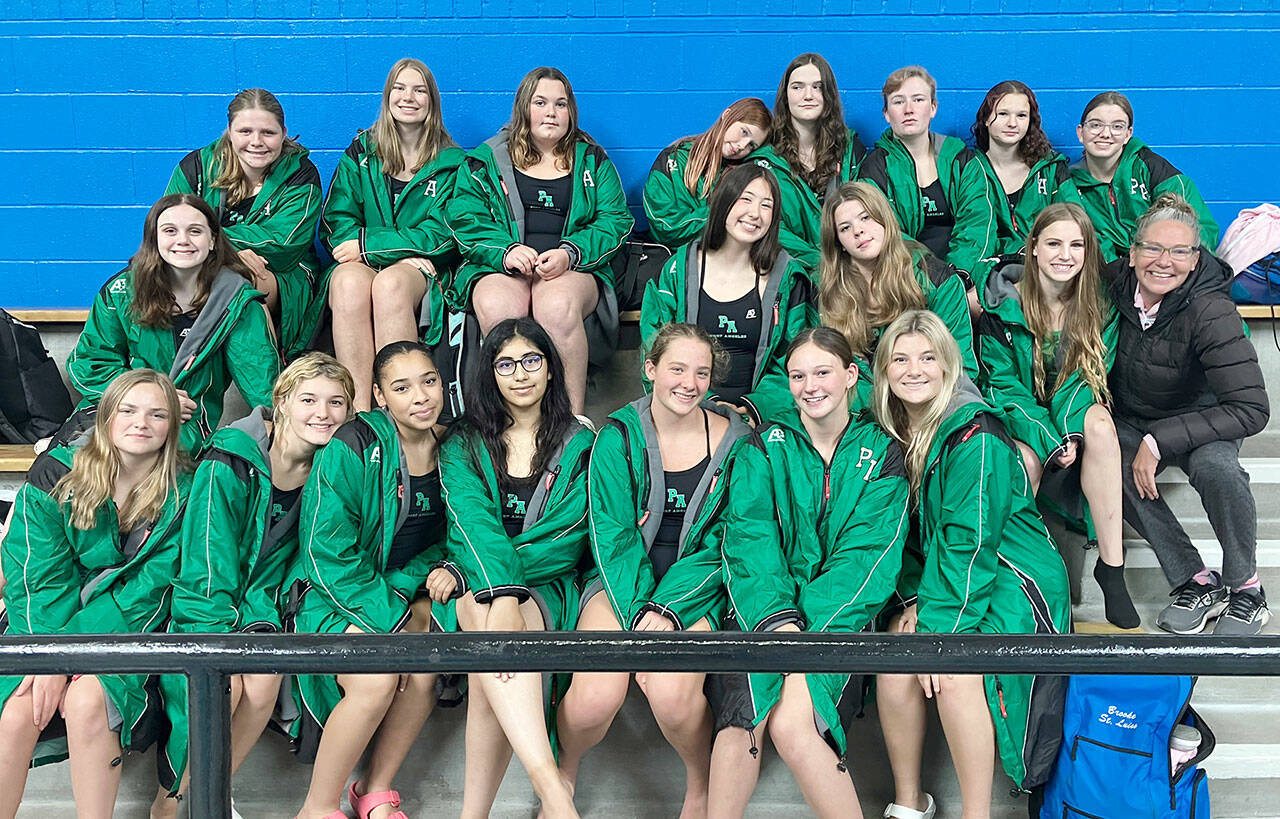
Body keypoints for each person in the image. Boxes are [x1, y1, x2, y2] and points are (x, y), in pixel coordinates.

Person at [872, 310, 1071, 819]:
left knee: (955, 667)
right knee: (896, 663)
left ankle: (975, 813)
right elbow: (907, 539)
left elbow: (969, 542)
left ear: (948, 366)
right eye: (900, 358)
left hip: (1011, 572)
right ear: (884, 371)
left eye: (927, 358)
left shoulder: (974, 435)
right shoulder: (891, 432)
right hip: (944, 577)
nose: (913, 370)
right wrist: (914, 601)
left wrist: (938, 627)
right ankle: (910, 801)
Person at [707, 327, 910, 818]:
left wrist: (805, 629)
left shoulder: (883, 452)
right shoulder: (762, 445)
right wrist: (777, 620)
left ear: (850, 376)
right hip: (762, 612)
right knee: (741, 722)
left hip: (837, 620)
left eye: (822, 372)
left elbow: (868, 560)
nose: (810, 386)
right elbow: (750, 539)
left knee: (792, 725)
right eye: (798, 375)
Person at [555, 323, 754, 818]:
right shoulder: (617, 437)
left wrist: (669, 608)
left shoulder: (739, 442)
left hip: (696, 589)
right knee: (594, 698)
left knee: (669, 692)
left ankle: (699, 781)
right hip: (621, 584)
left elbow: (730, 540)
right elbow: (613, 535)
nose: (689, 383)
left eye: (702, 373)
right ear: (650, 369)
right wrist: (643, 611)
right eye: (677, 369)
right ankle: (565, 773)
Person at [152, 353, 354, 813]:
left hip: (260, 603)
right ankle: (171, 800)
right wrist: (216, 628)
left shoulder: (332, 468)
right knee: (227, 687)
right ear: (280, 401)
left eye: (336, 403)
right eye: (308, 399)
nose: (322, 413)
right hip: (204, 597)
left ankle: (214, 793)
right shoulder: (230, 458)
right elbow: (208, 557)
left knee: (263, 682)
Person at [0, 369, 189, 818]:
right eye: (127, 410)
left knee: (88, 702)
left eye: (157, 414)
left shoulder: (186, 490)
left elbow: (149, 591)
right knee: (19, 706)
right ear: (105, 417)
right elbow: (37, 577)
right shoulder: (57, 473)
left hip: (133, 629)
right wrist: (47, 657)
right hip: (43, 625)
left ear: (171, 428)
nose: (140, 422)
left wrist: (70, 657)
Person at [289, 341, 464, 819]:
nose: (421, 397)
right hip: (334, 595)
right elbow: (326, 552)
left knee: (424, 671)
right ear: (380, 396)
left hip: (400, 592)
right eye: (402, 387)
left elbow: (458, 536)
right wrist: (393, 618)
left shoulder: (454, 447)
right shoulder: (354, 445)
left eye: (429, 382)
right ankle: (318, 807)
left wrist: (417, 591)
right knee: (377, 676)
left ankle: (374, 791)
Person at [439, 318, 591, 818]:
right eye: (506, 364)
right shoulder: (463, 442)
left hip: (548, 586)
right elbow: (471, 524)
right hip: (489, 588)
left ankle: (474, 814)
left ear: (551, 369)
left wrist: (480, 579)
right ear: (490, 374)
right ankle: (553, 792)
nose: (520, 374)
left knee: (488, 653)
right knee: (490, 635)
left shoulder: (582, 442)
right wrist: (502, 592)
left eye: (532, 360)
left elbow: (565, 539)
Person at [1107, 194, 1270, 635]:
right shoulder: (1113, 288)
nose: (1165, 261)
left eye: (1180, 252)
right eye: (1154, 248)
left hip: (1203, 418)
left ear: (1196, 260)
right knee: (1101, 463)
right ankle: (1195, 581)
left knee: (1218, 468)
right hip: (1134, 418)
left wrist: (1159, 442)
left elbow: (1252, 408)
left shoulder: (1210, 308)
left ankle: (1246, 588)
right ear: (1133, 251)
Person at [977, 203, 1139, 628]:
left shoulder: (1099, 305)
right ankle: (1014, 575)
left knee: (1102, 424)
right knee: (1025, 461)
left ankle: (1112, 568)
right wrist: (1049, 439)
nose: (1064, 254)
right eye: (1053, 243)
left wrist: (1070, 434)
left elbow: (1087, 377)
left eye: (1076, 244)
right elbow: (1003, 386)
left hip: (1073, 416)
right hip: (1019, 419)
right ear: (1031, 248)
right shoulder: (1000, 305)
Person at [448, 66, 634, 414]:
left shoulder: (592, 160)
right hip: (505, 265)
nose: (551, 112)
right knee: (499, 306)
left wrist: (570, 254)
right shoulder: (487, 160)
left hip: (570, 269)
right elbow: (465, 217)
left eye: (561, 104)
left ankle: (571, 421)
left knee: (556, 305)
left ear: (571, 112)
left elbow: (615, 220)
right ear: (523, 109)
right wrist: (505, 251)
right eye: (541, 102)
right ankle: (508, 417)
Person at [67, 193, 280, 453]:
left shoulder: (236, 302)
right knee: (58, 464)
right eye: (170, 230)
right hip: (119, 411)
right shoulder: (120, 292)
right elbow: (90, 364)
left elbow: (261, 380)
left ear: (212, 240)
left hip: (187, 426)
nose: (183, 240)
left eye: (195, 231)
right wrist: (155, 399)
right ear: (154, 239)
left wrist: (287, 422)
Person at [321, 58, 467, 412]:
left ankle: (398, 413)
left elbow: (445, 235)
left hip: (427, 273)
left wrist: (370, 244)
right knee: (346, 282)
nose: (408, 97)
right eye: (399, 89)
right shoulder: (361, 154)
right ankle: (359, 413)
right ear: (387, 97)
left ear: (432, 100)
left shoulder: (454, 162)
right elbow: (338, 225)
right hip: (370, 263)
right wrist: (398, 249)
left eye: (419, 90)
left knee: (391, 285)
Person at [641, 163, 816, 426]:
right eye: (745, 199)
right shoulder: (678, 269)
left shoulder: (787, 278)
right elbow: (654, 346)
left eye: (766, 205)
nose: (755, 214)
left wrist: (754, 408)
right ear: (724, 201)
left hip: (762, 421)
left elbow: (797, 358)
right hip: (686, 408)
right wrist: (703, 404)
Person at [166, 88, 324, 357]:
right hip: (203, 269)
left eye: (268, 133)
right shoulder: (197, 167)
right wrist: (230, 252)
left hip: (282, 274)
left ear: (284, 133)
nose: (257, 141)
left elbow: (285, 244)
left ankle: (270, 386)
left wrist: (212, 242)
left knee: (238, 284)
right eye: (245, 131)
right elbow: (170, 229)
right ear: (229, 131)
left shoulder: (301, 173)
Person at [819, 180, 976, 410]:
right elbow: (825, 371)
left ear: (885, 220)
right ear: (839, 243)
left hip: (930, 403)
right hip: (861, 411)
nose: (858, 231)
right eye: (845, 228)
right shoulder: (829, 291)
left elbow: (960, 366)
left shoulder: (937, 280)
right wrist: (878, 406)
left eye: (866, 218)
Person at [858, 66, 997, 306]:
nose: (909, 109)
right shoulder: (874, 169)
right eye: (898, 101)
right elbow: (885, 237)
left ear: (933, 108)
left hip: (963, 276)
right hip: (904, 279)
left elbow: (977, 225)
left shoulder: (961, 160)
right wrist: (933, 281)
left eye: (918, 99)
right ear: (886, 114)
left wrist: (957, 278)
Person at [1070, 91, 1218, 262]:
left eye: (1117, 126)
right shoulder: (1070, 185)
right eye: (1096, 125)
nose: (1105, 133)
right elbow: (1091, 243)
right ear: (1081, 133)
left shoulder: (1152, 169)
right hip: (1114, 274)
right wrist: (1124, 275)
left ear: (1128, 134)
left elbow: (1201, 230)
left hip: (1165, 266)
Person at [754, 53, 868, 271]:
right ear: (785, 96)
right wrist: (823, 264)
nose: (808, 95)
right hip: (787, 271)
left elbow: (867, 212)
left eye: (817, 87)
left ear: (829, 96)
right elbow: (768, 226)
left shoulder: (850, 150)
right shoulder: (765, 159)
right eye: (797, 87)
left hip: (851, 266)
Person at [642, 97, 772, 250]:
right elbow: (666, 227)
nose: (742, 146)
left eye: (751, 145)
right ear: (727, 115)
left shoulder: (744, 175)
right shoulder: (676, 158)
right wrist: (723, 212)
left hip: (725, 262)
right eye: (744, 132)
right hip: (675, 261)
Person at [970, 80, 1080, 256]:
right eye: (1003, 114)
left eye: (1021, 115)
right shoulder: (970, 169)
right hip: (991, 268)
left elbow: (1075, 221)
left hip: (1045, 264)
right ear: (985, 119)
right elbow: (971, 233)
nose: (1012, 123)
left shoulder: (1050, 168)